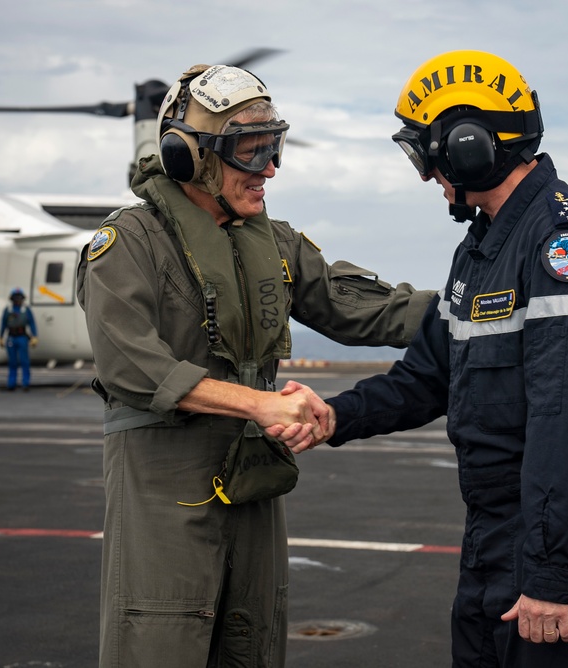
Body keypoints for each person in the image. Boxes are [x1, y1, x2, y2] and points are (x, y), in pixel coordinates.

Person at [273, 50, 568, 668]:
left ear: (468, 146)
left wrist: (551, 577)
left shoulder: (563, 247)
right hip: (498, 522)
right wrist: (334, 415)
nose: (427, 176)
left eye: (426, 153)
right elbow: (427, 377)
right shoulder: (480, 251)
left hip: (556, 529)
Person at [75, 63, 433, 668]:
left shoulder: (274, 241)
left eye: (274, 147)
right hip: (166, 487)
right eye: (250, 151)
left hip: (254, 480)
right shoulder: (128, 243)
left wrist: (482, 300)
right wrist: (263, 404)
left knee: (254, 641)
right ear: (190, 157)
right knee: (160, 641)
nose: (269, 169)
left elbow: (361, 310)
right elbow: (131, 366)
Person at [0, 287, 38, 391]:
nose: (17, 300)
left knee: (24, 361)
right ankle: (11, 384)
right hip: (11, 337)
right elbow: (3, 324)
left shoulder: (25, 310)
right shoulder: (8, 310)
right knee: (12, 362)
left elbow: (32, 323)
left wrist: (34, 336)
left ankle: (25, 383)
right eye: (15, 298)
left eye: (19, 297)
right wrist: (1, 337)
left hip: (22, 338)